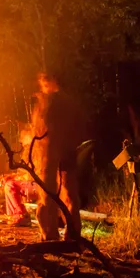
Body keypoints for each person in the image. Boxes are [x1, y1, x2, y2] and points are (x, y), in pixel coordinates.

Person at [21, 73, 85, 241]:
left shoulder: (47, 102)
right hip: (66, 151)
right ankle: (72, 234)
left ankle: (50, 234)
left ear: (51, 81)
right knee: (68, 193)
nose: (42, 84)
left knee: (47, 193)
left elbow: (40, 129)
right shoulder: (69, 102)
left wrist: (33, 149)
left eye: (44, 80)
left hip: (49, 153)